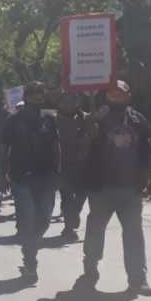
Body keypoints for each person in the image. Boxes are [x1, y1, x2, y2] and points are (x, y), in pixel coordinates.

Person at [79, 80, 151, 296]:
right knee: (95, 230)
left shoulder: (138, 120)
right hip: (101, 187)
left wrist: (150, 177)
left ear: (128, 96)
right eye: (112, 94)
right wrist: (90, 130)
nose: (116, 97)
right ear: (106, 96)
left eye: (121, 94)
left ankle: (138, 279)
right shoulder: (96, 117)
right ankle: (90, 267)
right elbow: (81, 145)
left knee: (133, 234)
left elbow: (148, 150)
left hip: (131, 189)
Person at [3, 82, 60, 282]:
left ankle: (30, 247)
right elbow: (4, 148)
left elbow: (56, 146)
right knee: (27, 221)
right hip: (21, 178)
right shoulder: (13, 120)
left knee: (44, 220)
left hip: (46, 177)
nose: (37, 97)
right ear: (26, 97)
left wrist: (58, 171)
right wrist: (3, 175)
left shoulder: (49, 119)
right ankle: (30, 261)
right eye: (34, 94)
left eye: (40, 94)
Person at [57, 92, 94, 241]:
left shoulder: (85, 118)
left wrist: (92, 103)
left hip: (84, 165)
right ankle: (69, 226)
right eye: (66, 101)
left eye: (73, 100)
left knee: (81, 194)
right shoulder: (53, 119)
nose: (69, 104)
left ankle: (74, 214)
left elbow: (93, 133)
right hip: (63, 165)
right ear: (60, 104)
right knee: (66, 197)